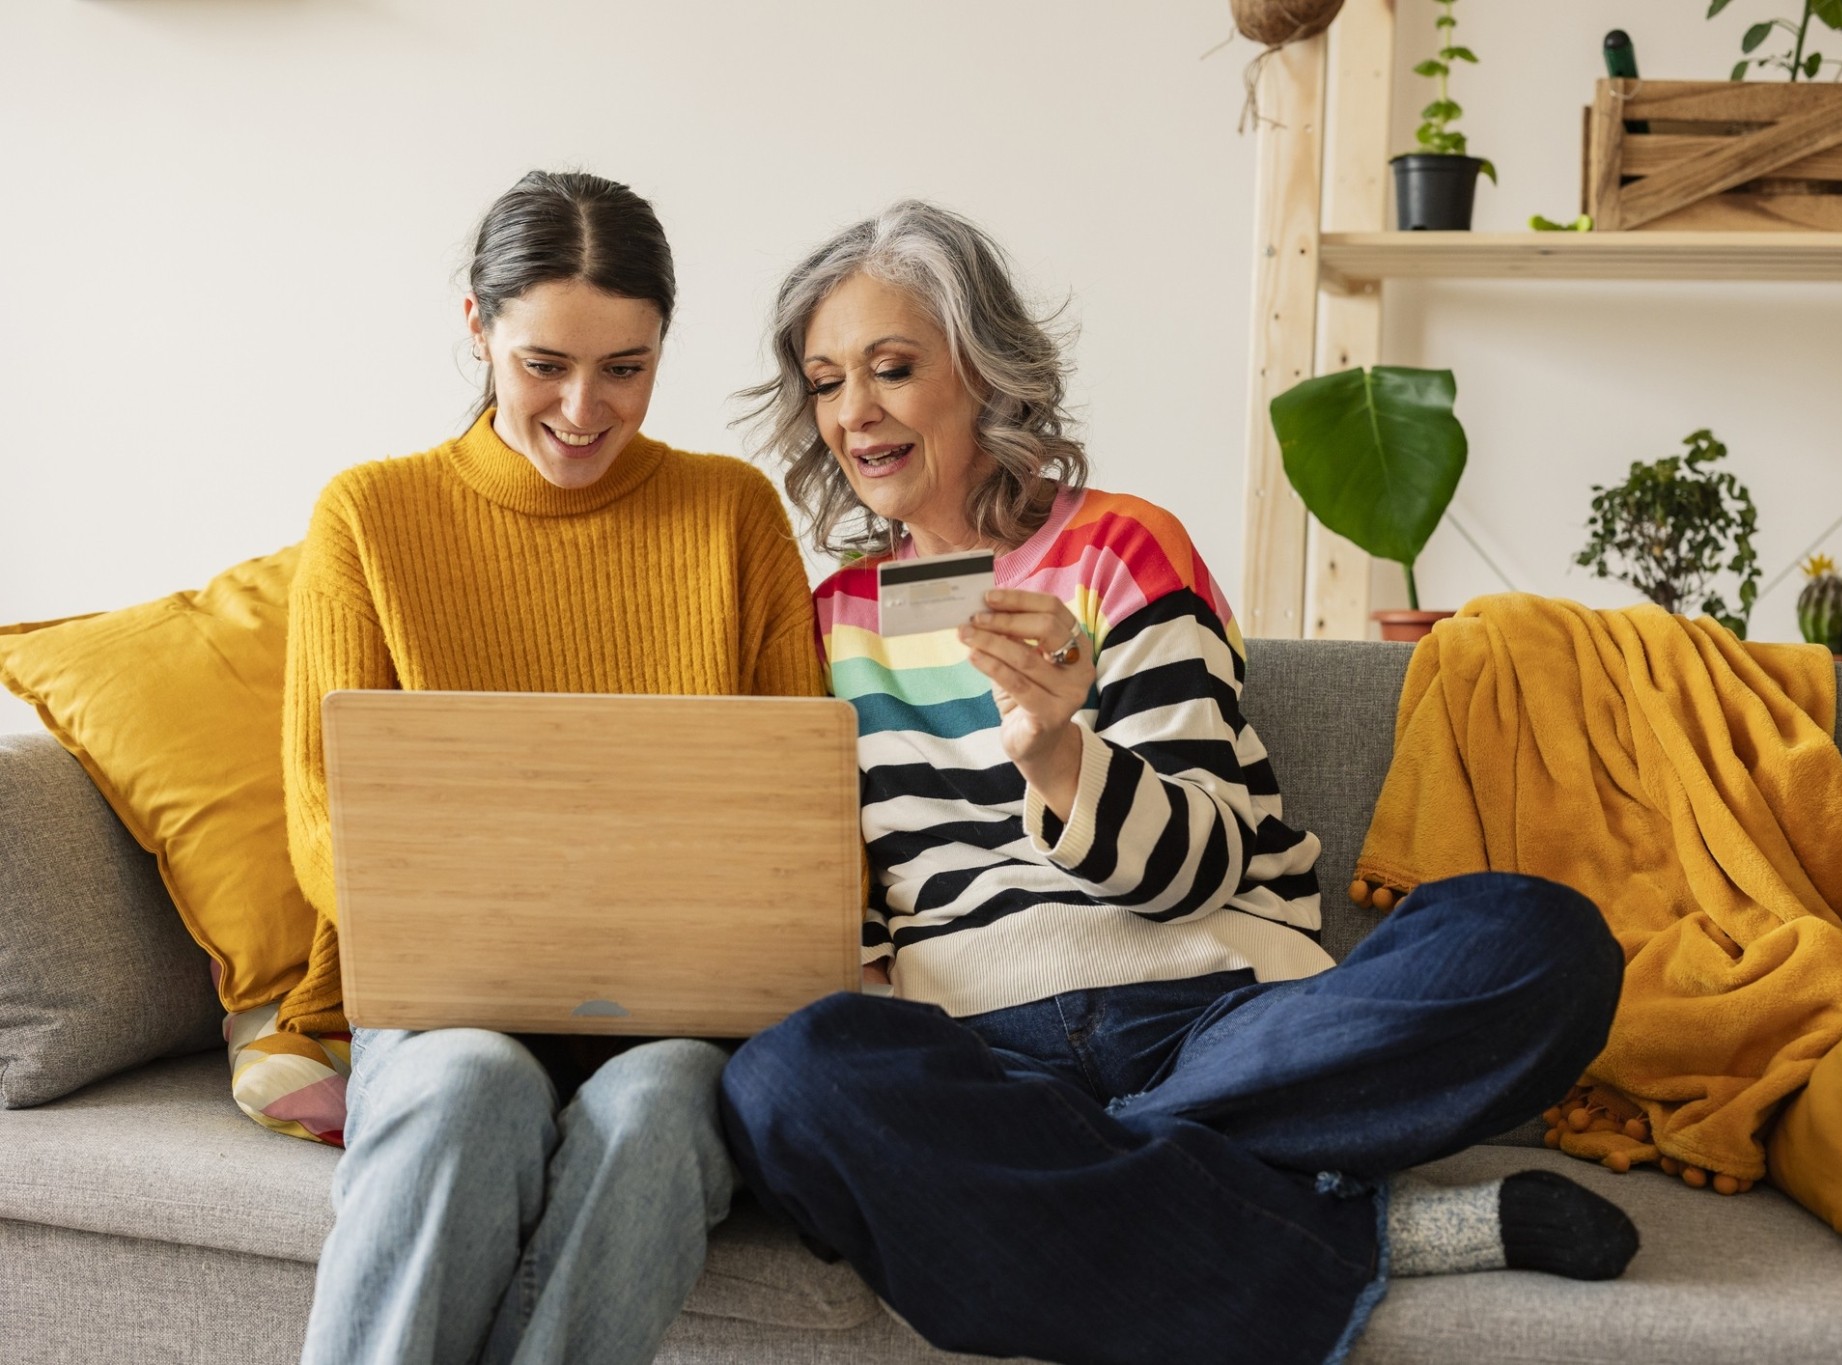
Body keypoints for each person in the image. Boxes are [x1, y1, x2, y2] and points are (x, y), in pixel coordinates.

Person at [719, 201, 1640, 1365]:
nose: (855, 412)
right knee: (786, 1085)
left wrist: (1059, 750)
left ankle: (1071, 1168)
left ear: (980, 371)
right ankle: (1359, 1222)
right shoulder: (823, 627)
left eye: (891, 368)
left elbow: (1193, 867)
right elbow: (834, 910)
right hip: (976, 1048)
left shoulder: (1120, 548)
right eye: (824, 382)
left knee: (1534, 939)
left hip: (1206, 1015)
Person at [279, 170, 824, 1365]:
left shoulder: (732, 513)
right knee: (470, 1079)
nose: (584, 408)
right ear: (476, 329)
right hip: (445, 1005)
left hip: (675, 1016)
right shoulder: (369, 515)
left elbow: (801, 816)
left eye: (624, 369)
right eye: (545, 365)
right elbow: (326, 833)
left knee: (658, 1108)